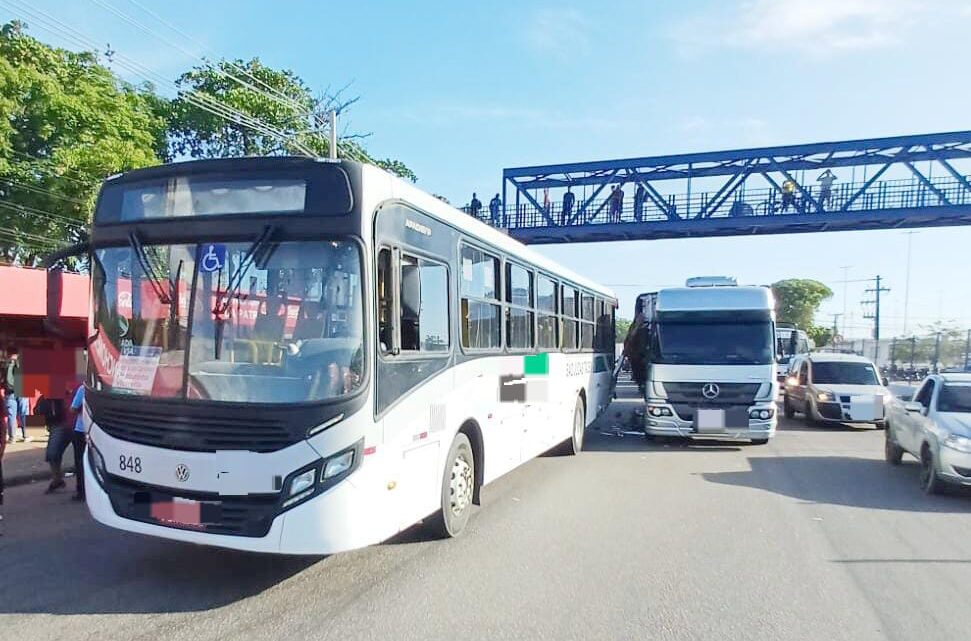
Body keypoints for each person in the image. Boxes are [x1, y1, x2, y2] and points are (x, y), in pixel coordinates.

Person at [40, 390, 70, 494]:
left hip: (63, 423)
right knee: (53, 454)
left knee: (53, 453)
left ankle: (57, 480)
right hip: (57, 423)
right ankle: (57, 480)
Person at [69, 383, 86, 501]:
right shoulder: (103, 389)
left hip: (81, 429)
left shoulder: (83, 389)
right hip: (97, 430)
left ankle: (81, 491)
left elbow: (73, 409)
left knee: (80, 462)